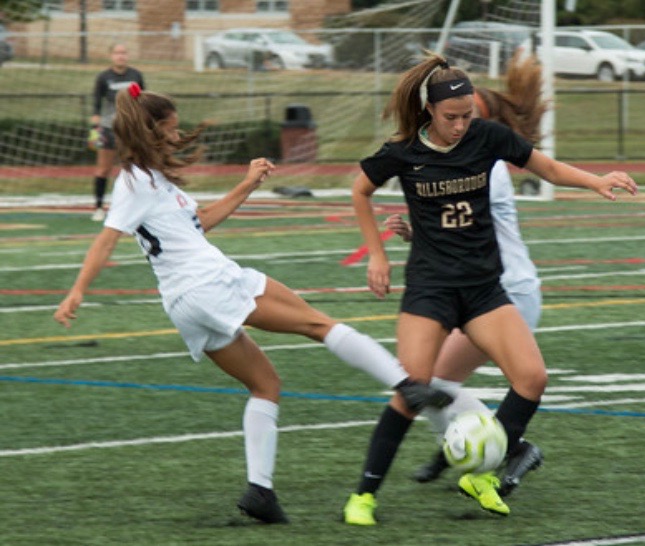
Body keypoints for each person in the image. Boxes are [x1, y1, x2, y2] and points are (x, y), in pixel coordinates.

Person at [54, 84, 451, 525]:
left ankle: (260, 490)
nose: (177, 133)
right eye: (171, 127)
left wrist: (246, 184)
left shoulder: (154, 182)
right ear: (154, 130)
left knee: (266, 384)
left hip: (185, 302)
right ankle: (406, 386)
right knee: (318, 325)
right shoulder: (134, 180)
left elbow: (198, 224)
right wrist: (77, 290)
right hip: (212, 283)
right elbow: (107, 239)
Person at [342, 52, 638, 525]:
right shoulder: (403, 152)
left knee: (532, 378)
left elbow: (549, 168)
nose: (460, 126)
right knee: (414, 388)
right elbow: (360, 190)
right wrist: (377, 254)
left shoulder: (490, 138)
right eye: (451, 118)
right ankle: (363, 497)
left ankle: (481, 472)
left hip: (484, 290)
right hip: (431, 291)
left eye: (467, 116)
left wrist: (596, 180)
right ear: (430, 112)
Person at [383, 54, 547, 497]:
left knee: (430, 383)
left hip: (501, 290)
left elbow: (465, 221)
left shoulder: (483, 164)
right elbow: (454, 226)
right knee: (429, 381)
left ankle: (509, 447)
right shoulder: (463, 159)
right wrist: (414, 232)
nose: (454, 126)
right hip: (478, 285)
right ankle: (470, 447)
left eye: (465, 116)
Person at [89, 43, 145, 221]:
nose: (121, 56)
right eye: (117, 53)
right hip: (108, 128)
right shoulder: (104, 77)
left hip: (129, 129)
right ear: (111, 56)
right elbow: (96, 105)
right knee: (103, 169)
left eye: (124, 52)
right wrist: (94, 132)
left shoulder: (135, 75)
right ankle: (98, 207)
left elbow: (142, 100)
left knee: (132, 168)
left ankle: (131, 207)